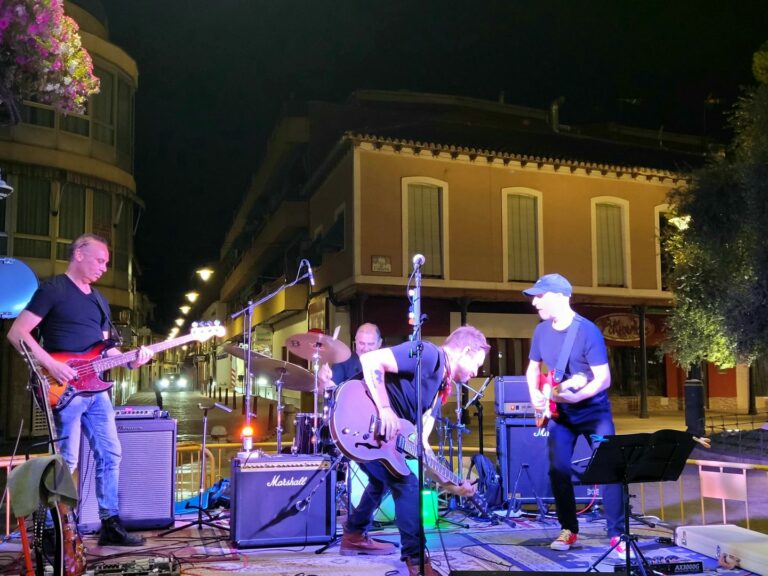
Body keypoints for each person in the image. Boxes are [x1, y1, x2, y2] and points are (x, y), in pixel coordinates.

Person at [7, 233, 153, 547]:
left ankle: (110, 524)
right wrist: (52, 364)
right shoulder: (53, 289)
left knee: (111, 454)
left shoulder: (99, 299)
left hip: (96, 392)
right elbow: (18, 333)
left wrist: (132, 360)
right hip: (63, 388)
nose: (104, 267)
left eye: (107, 263)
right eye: (100, 260)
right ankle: (52, 531)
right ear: (79, 254)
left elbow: (105, 349)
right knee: (67, 461)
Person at [338, 325, 488, 576]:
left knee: (382, 480)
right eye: (477, 364)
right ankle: (417, 562)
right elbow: (371, 359)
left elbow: (421, 446)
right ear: (465, 352)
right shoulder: (429, 355)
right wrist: (385, 409)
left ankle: (354, 534)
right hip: (359, 420)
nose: (476, 372)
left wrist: (450, 484)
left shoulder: (440, 388)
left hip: (378, 438)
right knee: (406, 483)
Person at [523, 273, 629, 559]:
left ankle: (617, 534)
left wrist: (577, 397)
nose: (534, 303)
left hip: (594, 412)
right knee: (557, 470)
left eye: (540, 296)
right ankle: (568, 529)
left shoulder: (587, 331)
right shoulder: (541, 331)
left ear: (560, 297)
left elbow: (603, 379)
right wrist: (534, 394)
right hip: (561, 415)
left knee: (610, 469)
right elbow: (533, 368)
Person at [318, 322, 382, 387]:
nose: (365, 349)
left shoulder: (386, 361)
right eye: (361, 343)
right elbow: (330, 387)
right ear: (355, 341)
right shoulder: (344, 361)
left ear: (379, 343)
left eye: (371, 344)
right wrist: (324, 382)